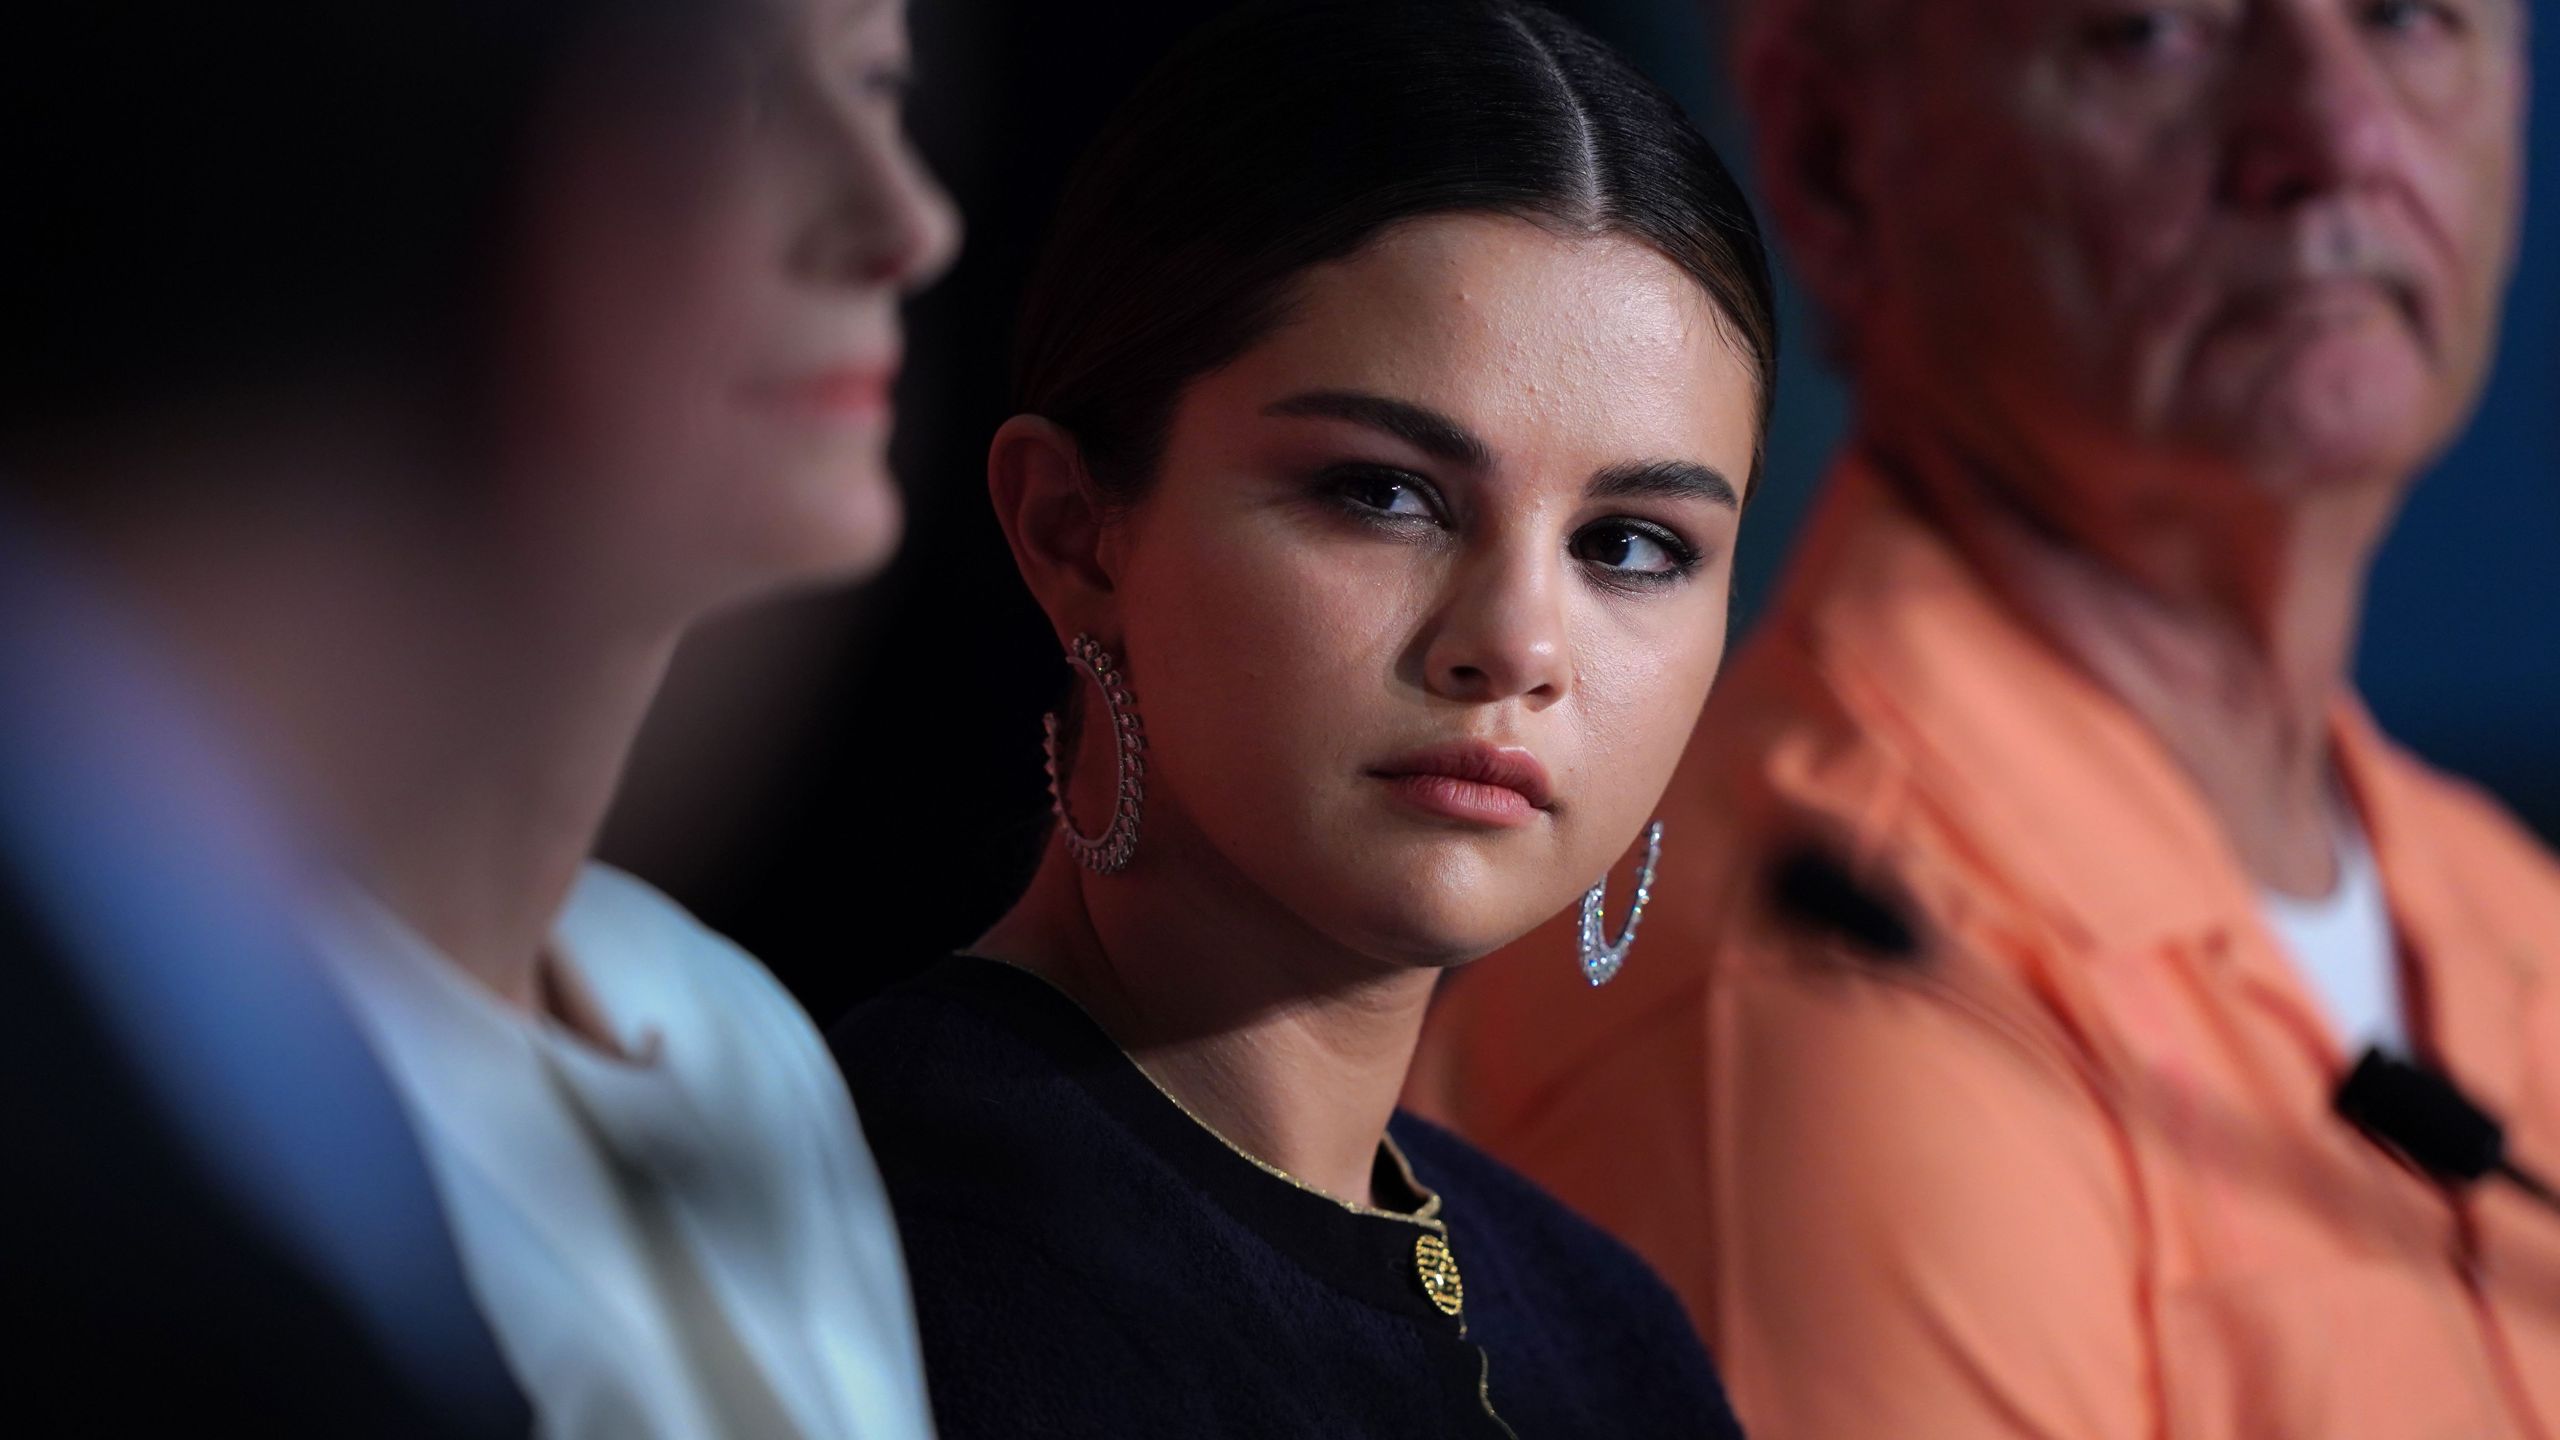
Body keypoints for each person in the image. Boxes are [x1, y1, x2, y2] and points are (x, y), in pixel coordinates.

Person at [1409, 0, 2560, 1435]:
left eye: (2409, 18)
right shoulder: (1828, 1006)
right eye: (2155, 34)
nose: (2335, 139)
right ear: (1836, 158)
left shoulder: (2505, 911)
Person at [3, 0, 957, 1434]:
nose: (907, 220)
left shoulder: (735, 1031)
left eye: (884, 90)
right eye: (734, 98)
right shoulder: (201, 1110)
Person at [829, 1, 1773, 1434]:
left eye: (1630, 544)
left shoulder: (1604, 1329)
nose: (1516, 645)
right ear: (1076, 530)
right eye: (1384, 493)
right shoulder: (869, 1260)